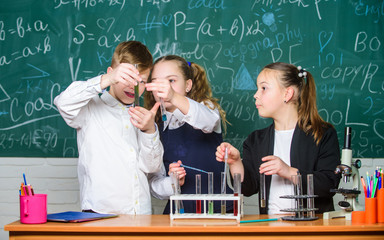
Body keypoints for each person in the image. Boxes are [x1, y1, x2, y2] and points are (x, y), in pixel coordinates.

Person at [216, 62, 341, 214]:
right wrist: (235, 163)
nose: (255, 95)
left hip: (312, 228)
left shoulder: (322, 134)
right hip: (271, 229)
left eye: (264, 88)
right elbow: (248, 188)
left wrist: (288, 171)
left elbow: (329, 184)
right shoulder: (256, 140)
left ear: (287, 94)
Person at [54, 41, 163, 215]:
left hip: (141, 214)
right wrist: (105, 80)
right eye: (127, 78)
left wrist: (149, 131)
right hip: (100, 214)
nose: (133, 86)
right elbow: (63, 102)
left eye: (141, 82)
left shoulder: (145, 117)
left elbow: (151, 168)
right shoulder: (89, 108)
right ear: (112, 74)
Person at [145, 55, 233, 214]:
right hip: (180, 211)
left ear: (188, 85)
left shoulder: (206, 107)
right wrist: (172, 182)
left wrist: (173, 96)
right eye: (156, 82)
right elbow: (154, 185)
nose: (163, 88)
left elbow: (208, 121)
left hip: (217, 209)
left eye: (171, 81)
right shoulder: (155, 127)